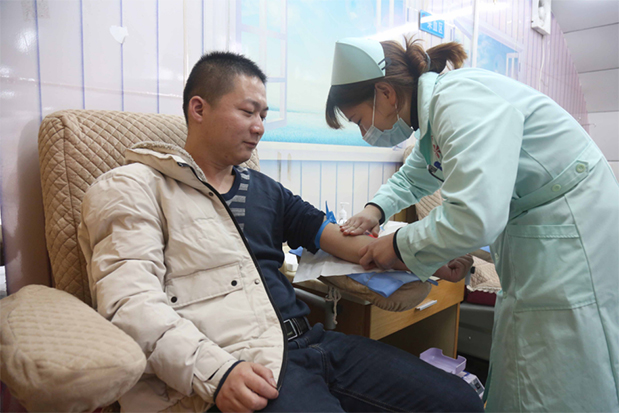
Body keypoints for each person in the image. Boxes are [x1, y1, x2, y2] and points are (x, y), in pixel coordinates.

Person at [78, 51, 483, 413]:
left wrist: (424, 256)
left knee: (459, 400)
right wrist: (216, 373)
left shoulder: (265, 190)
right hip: (243, 364)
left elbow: (341, 240)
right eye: (248, 112)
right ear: (198, 108)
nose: (259, 128)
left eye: (264, 116)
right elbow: (130, 305)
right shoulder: (133, 187)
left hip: (312, 343)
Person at [325, 36, 619, 412]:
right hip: (540, 227)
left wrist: (397, 245)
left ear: (385, 93)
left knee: (556, 359)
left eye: (359, 121)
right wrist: (375, 210)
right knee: (524, 352)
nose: (365, 133)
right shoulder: (435, 115)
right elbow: (418, 173)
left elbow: (475, 215)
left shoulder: (458, 101)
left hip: (573, 227)